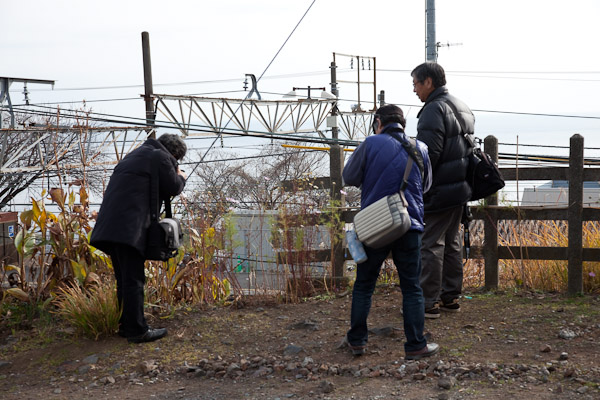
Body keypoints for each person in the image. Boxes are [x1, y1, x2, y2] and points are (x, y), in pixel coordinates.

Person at [341, 104, 439, 360]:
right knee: (411, 287)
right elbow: (426, 186)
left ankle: (357, 341)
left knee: (364, 285)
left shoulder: (371, 143)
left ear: (378, 122)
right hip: (410, 223)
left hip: (377, 224)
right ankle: (416, 345)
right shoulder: (421, 148)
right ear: (403, 124)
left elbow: (348, 177)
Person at [91, 133, 187, 343]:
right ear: (174, 154)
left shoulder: (134, 155)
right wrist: (180, 176)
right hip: (129, 229)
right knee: (134, 280)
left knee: (124, 280)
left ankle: (125, 326)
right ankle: (137, 331)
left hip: (111, 227)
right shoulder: (161, 157)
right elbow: (173, 186)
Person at [411, 62, 474, 319]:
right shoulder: (461, 106)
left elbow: (428, 155)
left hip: (439, 188)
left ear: (428, 82)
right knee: (452, 243)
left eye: (415, 83)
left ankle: (428, 301)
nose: (414, 89)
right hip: (460, 188)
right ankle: (450, 296)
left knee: (431, 244)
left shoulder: (432, 110)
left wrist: (417, 186)